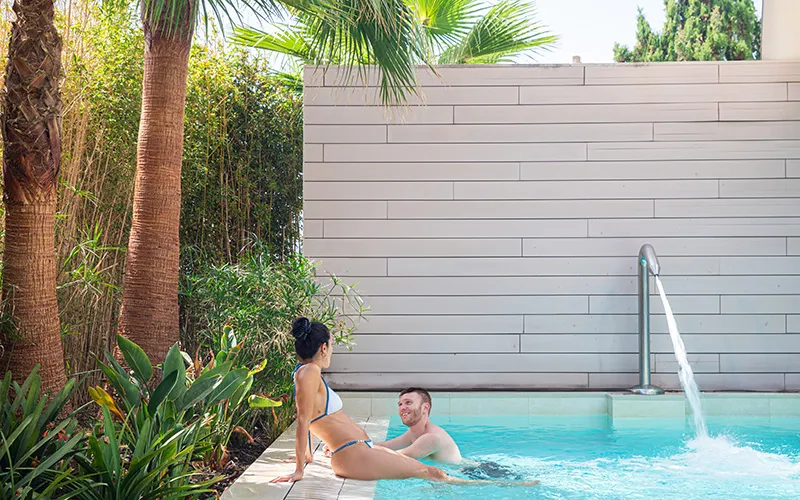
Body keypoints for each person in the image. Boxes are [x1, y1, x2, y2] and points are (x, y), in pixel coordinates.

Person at [270, 317, 540, 487]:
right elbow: (303, 419)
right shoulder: (310, 372)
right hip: (353, 454)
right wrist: (299, 469)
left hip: (357, 450)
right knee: (434, 474)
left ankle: (508, 485)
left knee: (431, 472)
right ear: (323, 347)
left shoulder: (304, 373)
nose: (332, 352)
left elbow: (312, 417)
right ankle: (512, 488)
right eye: (332, 345)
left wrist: (306, 456)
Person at [374, 387, 462, 463]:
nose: (402, 408)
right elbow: (386, 446)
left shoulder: (432, 437)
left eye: (408, 403)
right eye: (400, 404)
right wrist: (361, 443)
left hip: (468, 474)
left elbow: (395, 458)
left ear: (425, 408)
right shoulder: (414, 433)